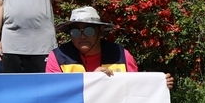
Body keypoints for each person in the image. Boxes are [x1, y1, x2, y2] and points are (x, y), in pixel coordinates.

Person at [46, 6, 174, 88]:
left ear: (101, 31)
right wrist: (92, 79)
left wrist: (157, 85)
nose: (82, 36)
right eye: (75, 31)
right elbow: (54, 93)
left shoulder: (121, 55)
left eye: (89, 30)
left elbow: (135, 87)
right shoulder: (57, 57)